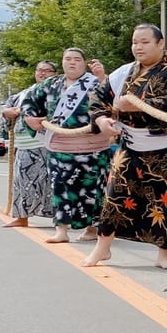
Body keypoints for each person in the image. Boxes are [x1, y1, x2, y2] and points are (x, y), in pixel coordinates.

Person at [82, 24, 167, 270]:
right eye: (135, 42)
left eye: (145, 42)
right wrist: (102, 119)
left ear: (160, 43)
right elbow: (98, 97)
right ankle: (102, 249)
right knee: (115, 195)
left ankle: (164, 254)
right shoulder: (124, 73)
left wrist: (136, 104)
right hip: (131, 143)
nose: (138, 47)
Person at [20, 47, 110, 242]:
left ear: (84, 63)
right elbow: (29, 100)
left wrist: (102, 77)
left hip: (93, 147)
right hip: (60, 147)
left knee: (94, 190)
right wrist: (30, 117)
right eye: (68, 59)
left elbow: (113, 101)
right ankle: (61, 230)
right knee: (60, 188)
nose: (72, 62)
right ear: (62, 62)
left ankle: (92, 229)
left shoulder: (96, 82)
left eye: (77, 59)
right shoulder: (51, 83)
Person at [0, 59, 58, 226]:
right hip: (24, 144)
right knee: (22, 181)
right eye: (39, 70)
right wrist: (7, 112)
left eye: (47, 70)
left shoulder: (59, 92)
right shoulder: (23, 93)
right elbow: (6, 108)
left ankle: (61, 220)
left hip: (49, 142)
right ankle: (21, 217)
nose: (42, 73)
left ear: (54, 74)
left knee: (52, 183)